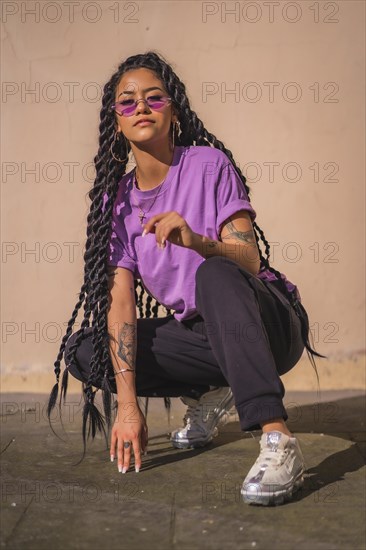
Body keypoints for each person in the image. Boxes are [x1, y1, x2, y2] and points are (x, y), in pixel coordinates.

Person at [46, 50, 324, 506]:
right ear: (115, 121)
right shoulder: (115, 204)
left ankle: (278, 438)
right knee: (87, 350)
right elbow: (121, 303)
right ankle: (213, 389)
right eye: (127, 101)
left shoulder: (208, 165)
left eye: (154, 98)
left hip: (271, 325)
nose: (141, 106)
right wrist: (129, 406)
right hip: (205, 337)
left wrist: (198, 241)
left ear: (172, 111)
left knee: (215, 273)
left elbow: (250, 261)